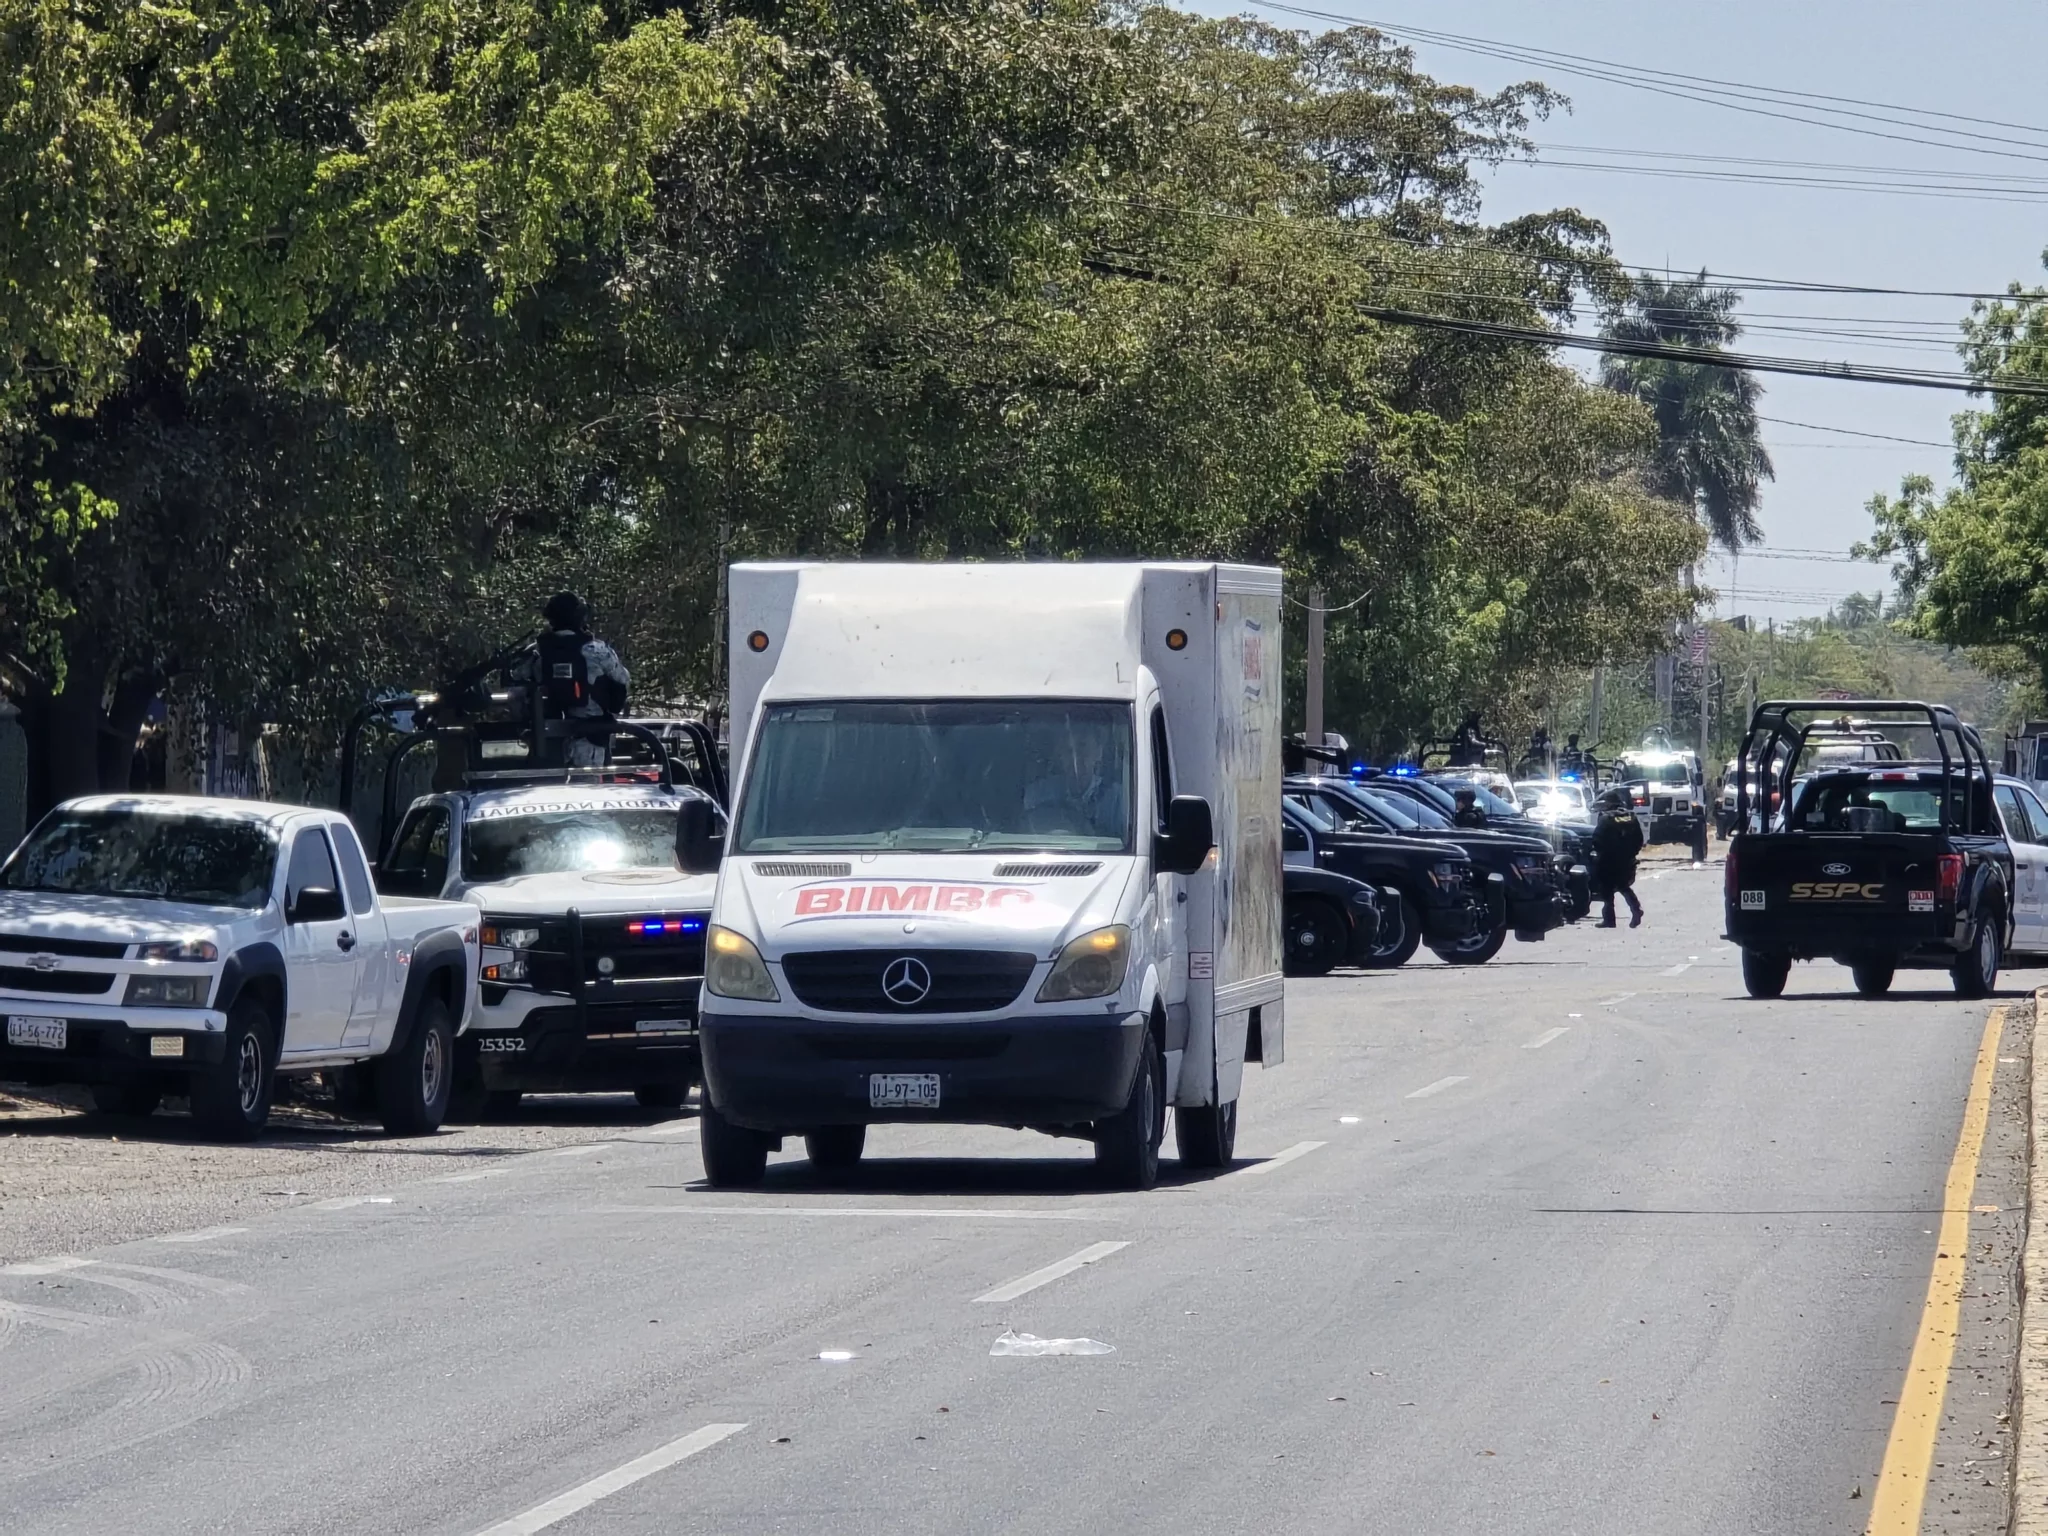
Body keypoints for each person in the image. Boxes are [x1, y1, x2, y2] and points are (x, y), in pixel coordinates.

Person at [516, 592, 630, 767]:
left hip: (547, 742)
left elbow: (517, 688)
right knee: (590, 793)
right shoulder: (597, 650)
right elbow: (623, 682)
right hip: (591, 739)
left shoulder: (537, 651)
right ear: (580, 617)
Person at [1592, 788, 1645, 928]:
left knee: (1607, 890)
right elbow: (1640, 839)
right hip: (1627, 859)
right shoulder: (1630, 816)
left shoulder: (1606, 818)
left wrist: (1599, 854)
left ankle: (1610, 919)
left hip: (1608, 859)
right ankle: (1636, 909)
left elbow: (1597, 839)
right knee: (1624, 886)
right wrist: (1632, 853)